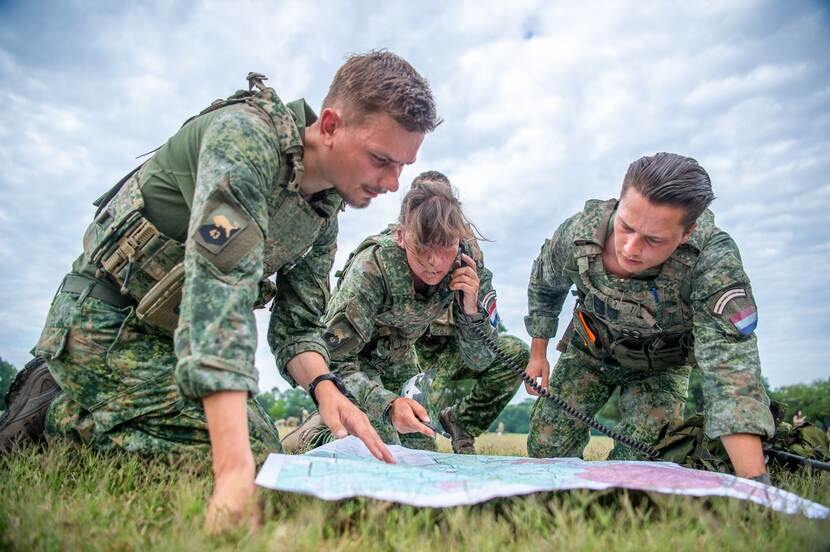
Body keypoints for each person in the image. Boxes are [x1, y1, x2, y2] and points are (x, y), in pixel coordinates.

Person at [0, 51, 439, 530]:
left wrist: (326, 389)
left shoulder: (324, 211)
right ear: (330, 125)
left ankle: (95, 405)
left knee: (265, 454)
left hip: (175, 345)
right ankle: (59, 412)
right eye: (381, 160)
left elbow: (297, 328)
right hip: (106, 322)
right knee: (235, 460)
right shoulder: (244, 139)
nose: (393, 184)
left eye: (403, 165)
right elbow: (219, 292)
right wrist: (231, 471)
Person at [524, 152, 774, 482]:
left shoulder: (711, 259)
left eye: (654, 240)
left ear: (687, 232)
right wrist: (538, 353)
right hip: (590, 353)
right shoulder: (577, 235)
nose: (630, 248)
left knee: (639, 468)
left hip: (661, 368)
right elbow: (544, 286)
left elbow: (731, 369)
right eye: (625, 227)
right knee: (546, 451)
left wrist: (754, 484)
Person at [281, 171, 499, 453]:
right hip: (354, 361)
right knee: (379, 449)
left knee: (420, 451)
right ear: (401, 236)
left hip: (398, 355)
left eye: (446, 244)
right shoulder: (373, 267)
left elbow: (481, 360)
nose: (434, 261)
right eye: (423, 245)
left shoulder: (467, 267)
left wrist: (471, 311)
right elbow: (333, 359)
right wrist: (387, 405)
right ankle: (318, 433)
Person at [407, 320, 526, 453]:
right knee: (415, 452)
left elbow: (487, 327)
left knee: (517, 352)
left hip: (461, 345)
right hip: (410, 347)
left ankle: (461, 422)